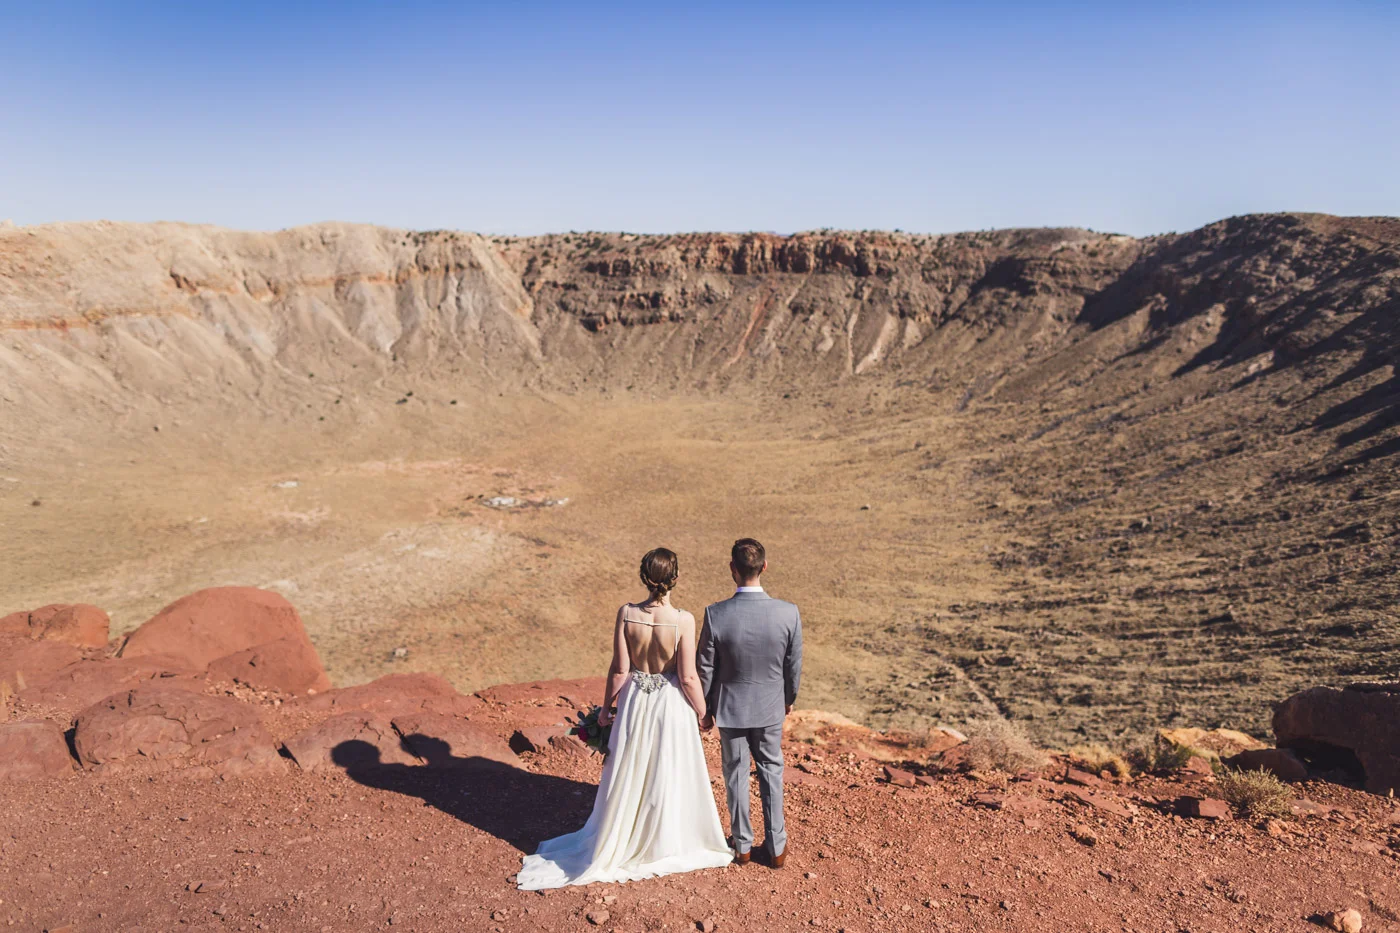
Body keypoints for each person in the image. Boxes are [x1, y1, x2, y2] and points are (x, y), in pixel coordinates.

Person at [516, 547, 732, 890]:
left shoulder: (627, 614)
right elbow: (689, 678)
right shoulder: (683, 620)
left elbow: (620, 669)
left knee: (630, 767)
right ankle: (663, 839)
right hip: (669, 705)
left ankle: (622, 836)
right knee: (667, 769)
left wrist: (605, 709)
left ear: (644, 578)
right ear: (675, 578)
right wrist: (703, 714)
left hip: (634, 701)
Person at [697, 537, 803, 868]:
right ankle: (776, 847)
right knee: (771, 770)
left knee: (735, 773)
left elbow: (705, 667)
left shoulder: (716, 614)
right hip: (771, 705)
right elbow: (793, 664)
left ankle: (742, 846)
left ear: (733, 569)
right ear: (764, 567)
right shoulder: (788, 613)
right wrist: (788, 699)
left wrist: (705, 708)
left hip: (730, 708)